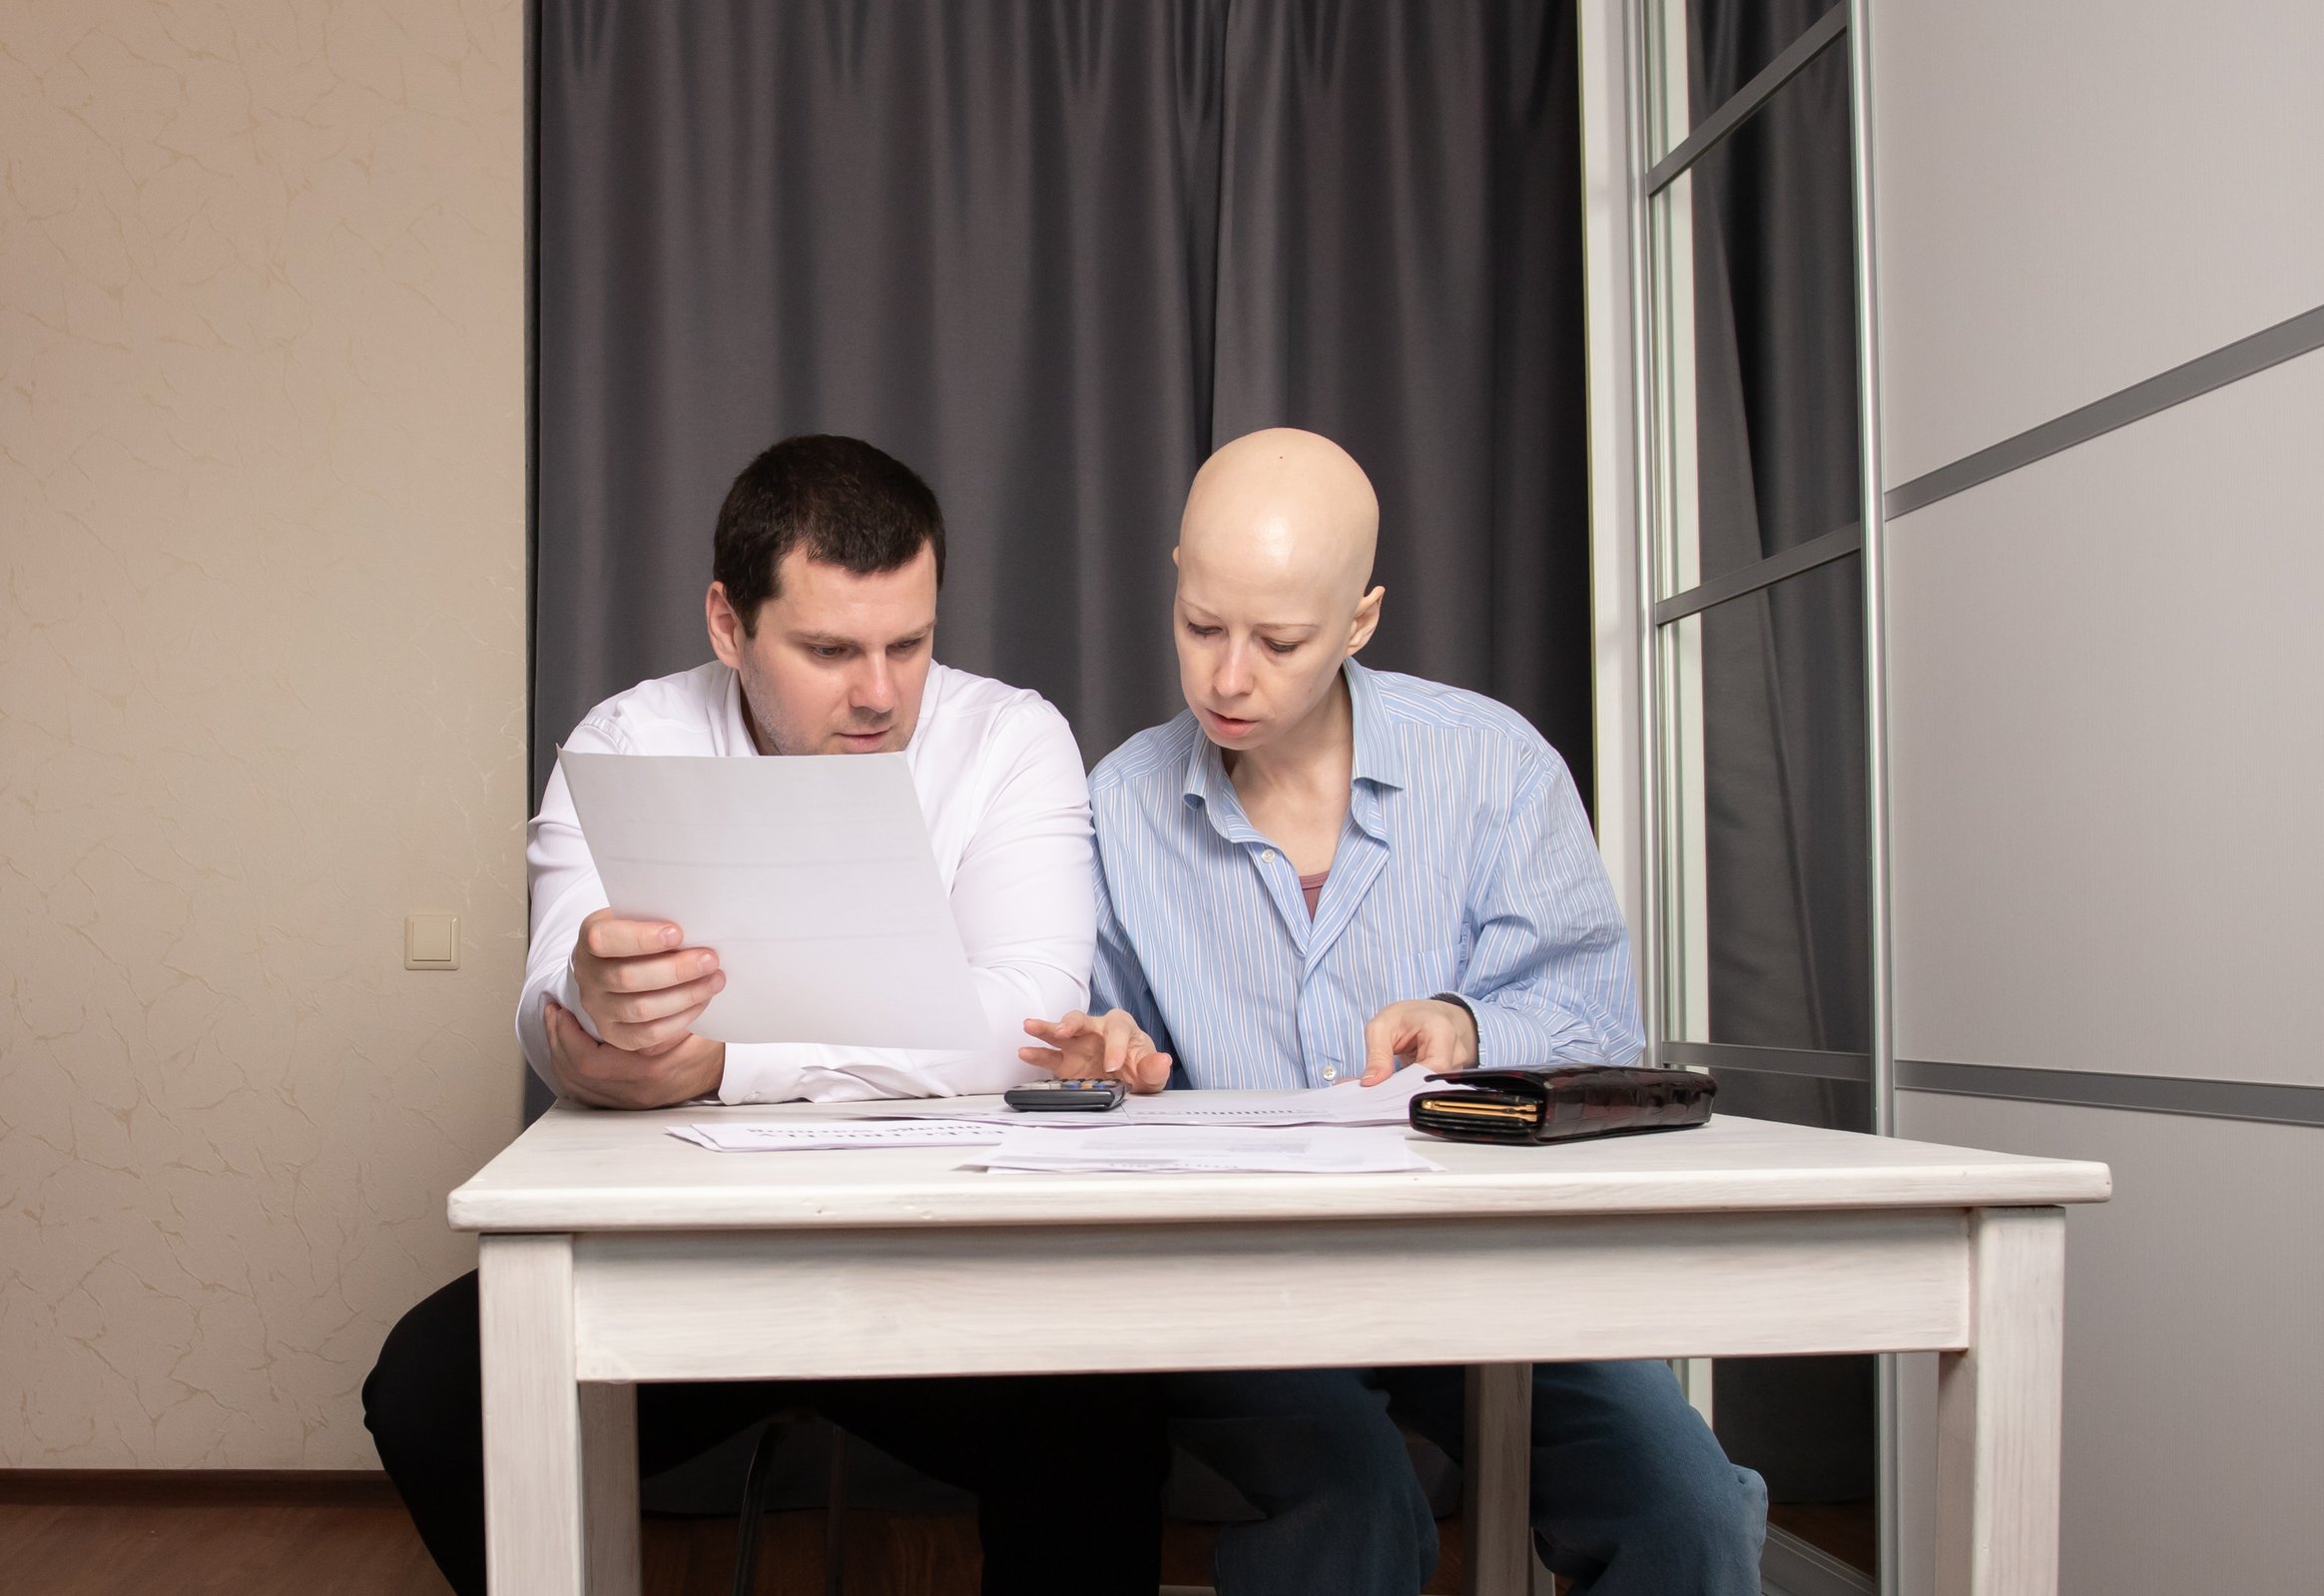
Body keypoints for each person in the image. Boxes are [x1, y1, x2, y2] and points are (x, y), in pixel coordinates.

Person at [363, 435, 1168, 1596]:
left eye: (911, 643)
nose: (882, 692)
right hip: (684, 1263)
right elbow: (547, 1017)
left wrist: (720, 1060)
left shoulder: (1007, 740)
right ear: (728, 626)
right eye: (830, 650)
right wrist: (585, 1018)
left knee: (1108, 1417)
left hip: (951, 1260)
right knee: (430, 1397)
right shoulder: (625, 743)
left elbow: (1025, 1021)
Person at [1019, 427, 1767, 1596]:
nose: (1227, 677)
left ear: (1360, 622)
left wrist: (1468, 1029)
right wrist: (1103, 1062)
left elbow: (1598, 1032)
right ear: (1173, 578)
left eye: (1280, 642)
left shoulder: (1496, 768)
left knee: (1687, 1513)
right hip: (1246, 1286)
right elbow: (1093, 1075)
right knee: (1353, 1507)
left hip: (1493, 1268)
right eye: (1202, 626)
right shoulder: (1116, 805)